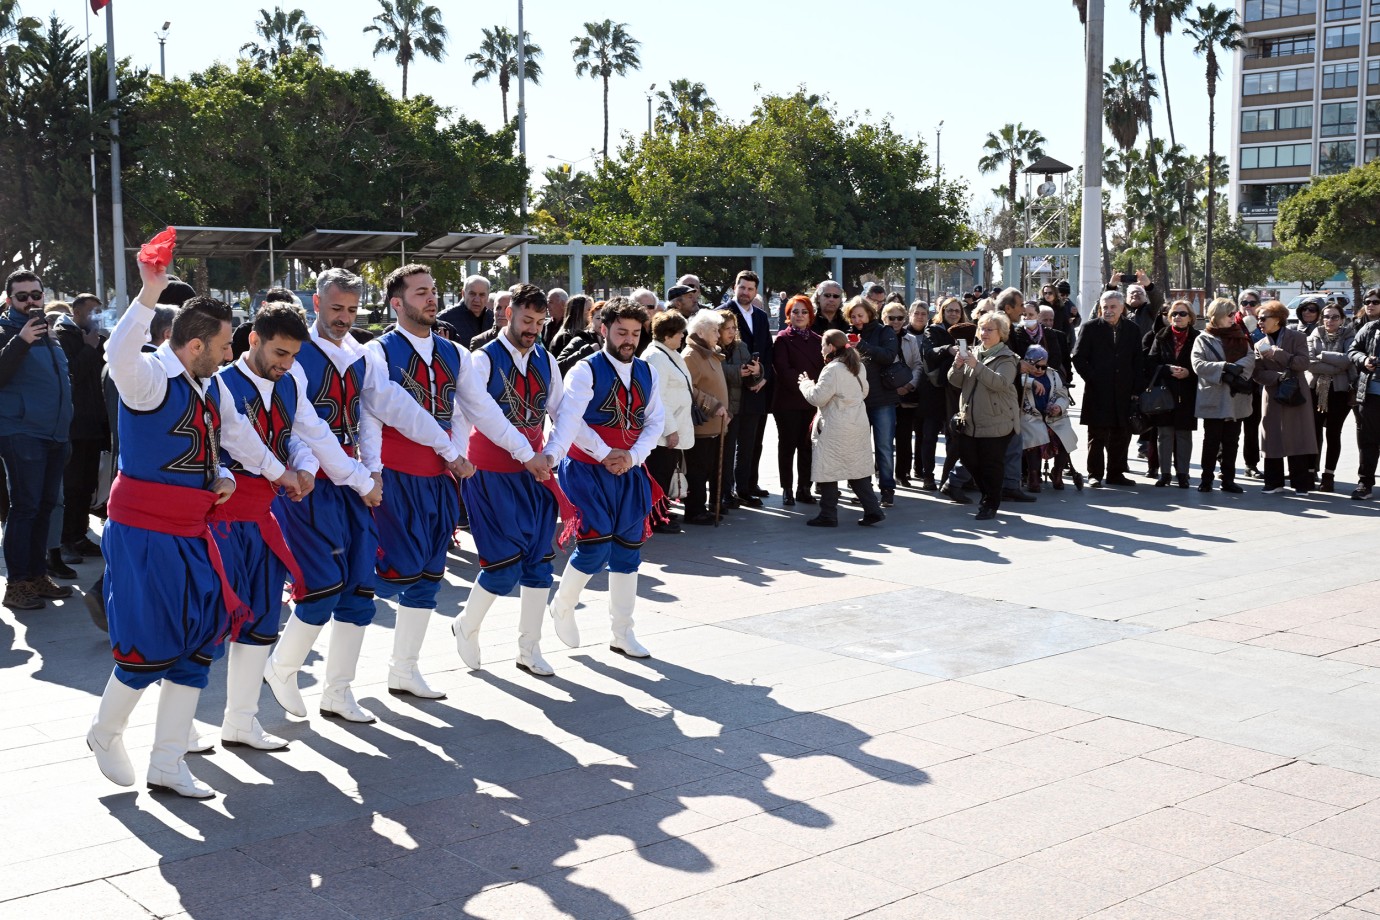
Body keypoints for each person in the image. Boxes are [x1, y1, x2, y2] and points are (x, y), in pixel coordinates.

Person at [90, 262, 292, 798]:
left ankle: (167, 761)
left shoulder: (208, 385)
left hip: (193, 528)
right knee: (150, 641)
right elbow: (117, 353)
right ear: (196, 343)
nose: (230, 354)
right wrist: (151, 288)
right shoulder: (149, 377)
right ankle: (105, 732)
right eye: (225, 344)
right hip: (145, 531)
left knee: (201, 641)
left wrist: (241, 474)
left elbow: (232, 439)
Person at [266, 268, 458, 725]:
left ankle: (337, 691)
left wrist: (373, 469)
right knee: (321, 585)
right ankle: (282, 668)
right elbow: (303, 430)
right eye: (336, 309)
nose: (345, 318)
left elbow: (373, 413)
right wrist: (360, 476)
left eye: (352, 309)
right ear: (316, 304)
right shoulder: (297, 353)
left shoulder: (361, 353)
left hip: (351, 482)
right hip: (306, 486)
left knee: (360, 588)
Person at [210, 304, 377, 750]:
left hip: (262, 517)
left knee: (261, 619)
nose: (286, 364)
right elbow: (243, 443)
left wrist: (303, 468)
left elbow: (305, 433)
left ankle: (240, 721)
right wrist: (286, 473)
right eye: (280, 353)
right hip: (220, 522)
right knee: (204, 623)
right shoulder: (222, 384)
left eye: (292, 356)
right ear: (253, 340)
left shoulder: (287, 384)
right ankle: (176, 730)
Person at [366, 264, 530, 701]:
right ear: (397, 303)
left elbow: (478, 409)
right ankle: (316, 673)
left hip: (439, 482)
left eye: (434, 291)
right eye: (421, 293)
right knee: (377, 577)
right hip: (395, 479)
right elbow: (390, 406)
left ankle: (404, 668)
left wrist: (525, 453)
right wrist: (450, 450)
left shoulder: (454, 352)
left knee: (428, 575)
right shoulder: (378, 351)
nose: (432, 298)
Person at [452, 284, 584, 676]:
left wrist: (554, 454)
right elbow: (481, 416)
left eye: (540, 322)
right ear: (508, 313)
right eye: (527, 320)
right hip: (491, 473)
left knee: (540, 564)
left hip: (536, 472)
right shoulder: (482, 359)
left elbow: (564, 413)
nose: (533, 329)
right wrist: (528, 455)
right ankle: (466, 625)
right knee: (502, 565)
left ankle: (529, 648)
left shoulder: (546, 359)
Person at [546, 299, 666, 658]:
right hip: (586, 468)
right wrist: (605, 453)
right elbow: (570, 420)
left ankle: (622, 632)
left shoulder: (648, 371)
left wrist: (632, 456)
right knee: (595, 544)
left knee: (629, 550)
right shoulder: (585, 369)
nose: (629, 339)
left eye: (635, 332)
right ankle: (563, 606)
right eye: (621, 332)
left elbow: (655, 420)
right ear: (604, 330)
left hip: (628, 468)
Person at [0, 270, 72, 610]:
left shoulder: (51, 334)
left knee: (44, 507)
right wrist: (20, 341)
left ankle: (35, 575)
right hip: (21, 433)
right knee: (25, 508)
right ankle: (16, 584)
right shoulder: (7, 332)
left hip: (55, 435)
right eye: (22, 296)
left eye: (35, 294)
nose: (30, 301)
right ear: (9, 300)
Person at [801, 329, 884, 527]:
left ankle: (828, 514)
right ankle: (873, 510)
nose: (821, 350)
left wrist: (805, 384)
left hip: (835, 425)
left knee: (829, 469)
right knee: (856, 470)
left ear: (830, 347)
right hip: (857, 424)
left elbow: (817, 398)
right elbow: (864, 392)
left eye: (822, 346)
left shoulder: (832, 369)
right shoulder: (857, 366)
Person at [947, 312, 1019, 521]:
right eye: (981, 328)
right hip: (970, 419)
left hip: (997, 420)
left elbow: (1000, 383)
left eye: (989, 329)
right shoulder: (974, 352)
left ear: (1001, 333)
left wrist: (975, 366)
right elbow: (955, 381)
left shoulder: (1007, 358)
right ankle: (987, 495)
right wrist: (958, 365)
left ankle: (990, 502)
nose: (983, 333)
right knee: (970, 460)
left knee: (991, 464)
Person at [55, 292, 108, 564]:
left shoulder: (96, 338)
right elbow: (70, 375)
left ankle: (79, 536)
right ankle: (66, 541)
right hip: (74, 425)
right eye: (91, 312)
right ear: (76, 312)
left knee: (88, 485)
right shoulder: (63, 336)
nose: (96, 317)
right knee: (73, 485)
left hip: (93, 424)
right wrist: (88, 347)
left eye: (99, 311)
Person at [1072, 290, 1143, 488]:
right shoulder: (1090, 328)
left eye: (1113, 307)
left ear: (1122, 308)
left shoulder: (1132, 329)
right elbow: (1078, 358)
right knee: (1097, 435)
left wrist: (1136, 389)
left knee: (1121, 434)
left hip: (1124, 391)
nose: (1108, 311)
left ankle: (1116, 473)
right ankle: (1094, 474)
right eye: (1105, 307)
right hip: (1098, 391)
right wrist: (1093, 377)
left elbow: (1138, 360)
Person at [1192, 297, 1256, 493]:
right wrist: (1224, 368)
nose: (1232, 318)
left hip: (1236, 396)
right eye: (1229, 314)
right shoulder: (1203, 338)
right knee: (1211, 440)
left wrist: (1236, 370)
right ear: (1218, 315)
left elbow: (1251, 357)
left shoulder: (1239, 335)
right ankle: (1206, 479)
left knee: (1232, 440)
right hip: (1215, 396)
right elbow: (1198, 364)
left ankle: (1228, 479)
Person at [1253, 300, 1317, 493]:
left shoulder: (1296, 337)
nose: (1260, 322)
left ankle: (1301, 483)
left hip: (1296, 393)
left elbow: (1303, 363)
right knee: (1272, 436)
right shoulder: (1259, 343)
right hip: (1272, 394)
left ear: (1278, 319)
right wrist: (1277, 378)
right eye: (1258, 319)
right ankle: (1274, 482)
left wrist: (1278, 353)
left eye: (1264, 318)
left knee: (1298, 435)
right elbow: (1257, 373)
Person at [848, 296, 901, 507]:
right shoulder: (848, 332)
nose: (857, 319)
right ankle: (863, 490)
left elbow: (888, 356)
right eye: (853, 316)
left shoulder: (884, 331)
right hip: (856, 399)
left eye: (860, 315)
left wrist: (862, 344)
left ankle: (887, 489)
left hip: (882, 399)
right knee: (858, 447)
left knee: (884, 446)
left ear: (870, 314)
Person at [643, 310, 694, 533]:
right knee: (658, 475)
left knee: (663, 474)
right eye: (680, 333)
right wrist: (671, 430)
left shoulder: (667, 353)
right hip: (662, 432)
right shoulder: (656, 357)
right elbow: (658, 398)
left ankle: (661, 512)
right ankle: (655, 518)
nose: (683, 337)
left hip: (672, 428)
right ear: (668, 334)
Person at [772, 295, 824, 505]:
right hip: (788, 401)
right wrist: (806, 385)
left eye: (804, 312)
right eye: (795, 312)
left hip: (811, 402)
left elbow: (823, 369)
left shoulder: (818, 340)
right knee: (787, 446)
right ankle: (787, 489)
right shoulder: (783, 339)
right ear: (788, 315)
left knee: (808, 447)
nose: (800, 316)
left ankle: (805, 488)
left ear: (810, 315)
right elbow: (783, 370)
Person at [726, 270, 772, 504]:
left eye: (750, 289)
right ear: (735, 287)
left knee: (750, 443)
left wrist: (762, 377)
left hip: (756, 390)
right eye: (742, 287)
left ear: (756, 291)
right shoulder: (722, 314)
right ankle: (726, 493)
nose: (745, 292)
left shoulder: (762, 317)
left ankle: (745, 488)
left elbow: (767, 351)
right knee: (728, 444)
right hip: (731, 390)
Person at [680, 310, 730, 525]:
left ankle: (708, 507)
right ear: (700, 331)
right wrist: (714, 405)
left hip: (716, 424)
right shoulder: (691, 355)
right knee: (698, 472)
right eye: (714, 330)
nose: (718, 334)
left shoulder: (710, 352)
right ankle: (695, 511)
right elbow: (688, 388)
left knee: (708, 469)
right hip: (702, 426)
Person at [1143, 300, 1199, 488]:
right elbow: (1150, 363)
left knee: (1184, 434)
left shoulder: (1198, 337)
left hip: (1187, 392)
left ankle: (1183, 473)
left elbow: (1202, 363)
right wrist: (1167, 369)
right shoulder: (1161, 336)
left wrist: (1189, 372)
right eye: (1174, 314)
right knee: (1164, 434)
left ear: (1191, 317)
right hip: (1164, 394)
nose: (1178, 317)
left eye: (1182, 314)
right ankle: (1164, 473)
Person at [1018, 345, 1081, 492]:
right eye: (1037, 366)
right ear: (1029, 362)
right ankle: (1033, 477)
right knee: (1034, 437)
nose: (1040, 370)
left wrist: (1058, 407)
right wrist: (1032, 382)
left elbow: (1062, 395)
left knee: (1066, 437)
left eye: (1043, 367)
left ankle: (1057, 473)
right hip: (1030, 417)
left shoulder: (1053, 374)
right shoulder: (1021, 375)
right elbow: (1015, 382)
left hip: (1053, 417)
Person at [1308, 302, 1355, 493]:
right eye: (1327, 316)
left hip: (1339, 392)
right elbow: (1310, 363)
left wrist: (1323, 355)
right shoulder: (1314, 334)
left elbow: (1348, 359)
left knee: (1333, 434)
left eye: (1335, 317)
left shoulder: (1349, 335)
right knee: (1314, 432)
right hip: (1315, 390)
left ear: (1342, 319)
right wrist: (1336, 364)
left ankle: (1329, 475)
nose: (1330, 320)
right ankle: (1311, 472)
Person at [917, 299, 962, 492]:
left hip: (955, 390)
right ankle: (928, 476)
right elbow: (928, 352)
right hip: (934, 390)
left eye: (957, 311)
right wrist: (948, 349)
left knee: (955, 434)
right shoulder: (933, 330)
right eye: (949, 310)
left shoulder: (965, 331)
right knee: (930, 436)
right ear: (942, 312)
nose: (953, 314)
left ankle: (949, 478)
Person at [716, 309, 755, 508]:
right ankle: (723, 493)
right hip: (722, 408)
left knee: (744, 449)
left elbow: (752, 370)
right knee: (726, 453)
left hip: (741, 406)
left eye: (734, 328)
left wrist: (757, 370)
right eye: (726, 329)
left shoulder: (741, 346)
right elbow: (715, 371)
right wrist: (738, 372)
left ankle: (738, 490)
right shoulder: (712, 348)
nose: (731, 333)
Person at [1349, 289, 1380, 499]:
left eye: (1376, 302)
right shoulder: (1369, 328)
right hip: (1371, 394)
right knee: (1368, 440)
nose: (1370, 304)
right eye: (1367, 301)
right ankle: (1365, 483)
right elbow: (1352, 350)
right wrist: (1363, 360)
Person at [893, 302, 927, 489]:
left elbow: (918, 365)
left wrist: (909, 385)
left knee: (905, 436)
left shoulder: (911, 339)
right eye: (892, 318)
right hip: (885, 395)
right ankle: (882, 472)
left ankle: (903, 473)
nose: (896, 321)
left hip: (908, 395)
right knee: (884, 438)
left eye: (899, 318)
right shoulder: (880, 337)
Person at [1236, 289, 1265, 479]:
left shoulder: (1262, 324)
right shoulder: (1230, 322)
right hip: (1235, 381)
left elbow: (1265, 349)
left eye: (1252, 303)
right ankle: (1224, 462)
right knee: (1230, 424)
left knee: (1252, 426)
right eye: (1244, 303)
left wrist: (1254, 329)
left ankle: (1251, 464)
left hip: (1256, 382)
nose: (1248, 306)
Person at [435, 275, 492, 348]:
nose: (477, 299)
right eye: (472, 294)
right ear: (463, 293)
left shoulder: (493, 319)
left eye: (482, 295)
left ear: (487, 296)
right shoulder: (445, 319)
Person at [553, 295, 600, 371]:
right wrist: (588, 351)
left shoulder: (592, 335)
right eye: (589, 309)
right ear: (578, 313)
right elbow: (558, 368)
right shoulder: (564, 337)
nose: (592, 313)